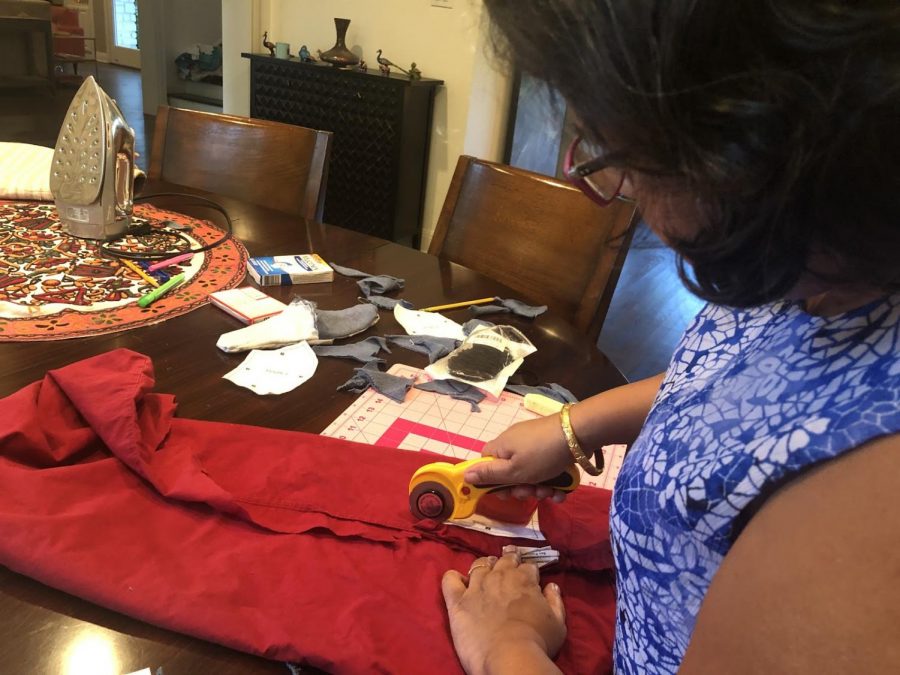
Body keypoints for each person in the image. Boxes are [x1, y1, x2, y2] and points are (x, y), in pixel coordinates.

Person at [440, 1, 900, 673]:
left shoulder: (872, 509)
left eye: (613, 151)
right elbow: (739, 384)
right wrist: (574, 427)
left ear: (747, 139)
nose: (605, 185)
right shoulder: (808, 260)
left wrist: (506, 644)